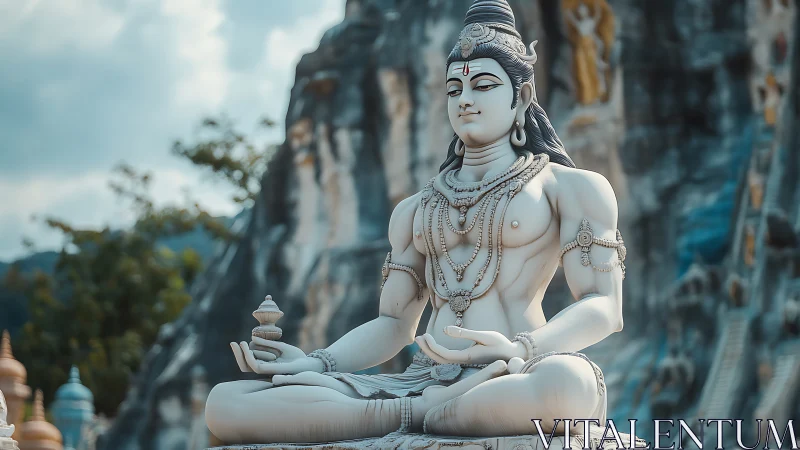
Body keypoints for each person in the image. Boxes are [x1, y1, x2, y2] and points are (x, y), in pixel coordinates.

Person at [205, 0, 626, 444]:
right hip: (420, 381)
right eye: (454, 88)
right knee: (226, 402)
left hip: (513, 368)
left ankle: (416, 414)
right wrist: (319, 363)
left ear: (520, 96)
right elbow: (394, 324)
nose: (465, 100)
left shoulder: (571, 188)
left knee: (568, 384)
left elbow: (604, 306)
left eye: (483, 85)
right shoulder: (416, 208)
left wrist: (524, 347)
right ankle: (424, 413)